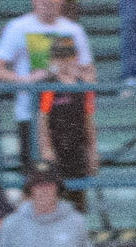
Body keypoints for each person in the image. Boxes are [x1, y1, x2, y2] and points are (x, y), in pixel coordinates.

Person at [0, 0, 95, 168]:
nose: (47, 2)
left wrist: (71, 76)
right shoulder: (17, 27)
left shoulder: (73, 30)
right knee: (37, 178)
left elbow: (89, 71)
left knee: (75, 180)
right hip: (30, 114)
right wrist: (26, 80)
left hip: (70, 117)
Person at [35, 36, 97, 209]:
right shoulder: (49, 85)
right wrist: (46, 148)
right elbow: (43, 119)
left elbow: (89, 119)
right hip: (57, 146)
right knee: (58, 195)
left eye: (67, 56)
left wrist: (92, 151)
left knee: (78, 197)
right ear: (52, 59)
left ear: (75, 57)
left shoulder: (84, 86)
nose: (63, 61)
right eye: (59, 57)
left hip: (78, 147)